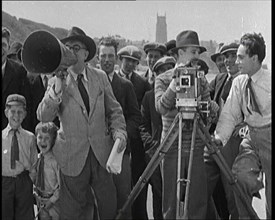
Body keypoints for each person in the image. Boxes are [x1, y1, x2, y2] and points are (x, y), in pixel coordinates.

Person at [37, 26, 127, 220]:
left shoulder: (100, 77)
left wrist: (120, 133)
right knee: (72, 212)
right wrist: (56, 91)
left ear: (86, 54)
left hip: (101, 155)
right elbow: (43, 116)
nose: (71, 52)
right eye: (67, 47)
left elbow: (115, 111)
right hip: (71, 157)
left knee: (107, 207)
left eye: (76, 48)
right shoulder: (56, 81)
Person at [155, 30, 219, 219]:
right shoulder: (164, 78)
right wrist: (175, 84)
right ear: (180, 53)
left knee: (197, 200)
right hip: (171, 145)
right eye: (193, 51)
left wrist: (207, 105)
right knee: (171, 201)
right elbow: (160, 107)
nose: (197, 57)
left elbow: (209, 113)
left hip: (196, 144)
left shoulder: (200, 79)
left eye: (198, 52)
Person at [214, 32, 271, 219]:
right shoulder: (239, 83)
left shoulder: (269, 82)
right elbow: (230, 113)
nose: (235, 61)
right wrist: (219, 138)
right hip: (251, 139)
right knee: (238, 178)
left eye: (240, 57)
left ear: (254, 58)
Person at [97, 37, 141, 219]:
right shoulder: (91, 83)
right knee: (101, 199)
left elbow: (135, 116)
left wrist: (121, 137)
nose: (106, 60)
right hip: (97, 150)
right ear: (97, 59)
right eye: (103, 56)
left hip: (120, 151)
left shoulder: (125, 85)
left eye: (110, 56)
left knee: (123, 197)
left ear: (116, 59)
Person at [205, 42, 242, 219]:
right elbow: (206, 95)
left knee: (232, 192)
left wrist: (244, 127)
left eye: (233, 56)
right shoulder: (220, 79)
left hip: (234, 144)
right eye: (225, 57)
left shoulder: (246, 81)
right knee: (202, 186)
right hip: (214, 140)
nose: (228, 60)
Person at [140, 56, 176, 220]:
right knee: (158, 195)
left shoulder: (184, 96)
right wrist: (155, 147)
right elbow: (142, 126)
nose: (165, 74)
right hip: (156, 154)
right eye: (161, 71)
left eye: (169, 69)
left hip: (177, 152)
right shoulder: (148, 97)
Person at [117, 45, 151, 219]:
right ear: (120, 60)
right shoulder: (109, 79)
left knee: (138, 180)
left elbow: (143, 113)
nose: (129, 65)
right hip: (114, 137)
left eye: (133, 62)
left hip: (135, 139)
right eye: (127, 60)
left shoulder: (142, 83)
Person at [2, 94, 38, 220]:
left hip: (23, 181)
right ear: (6, 112)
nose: (16, 116)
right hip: (5, 182)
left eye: (20, 112)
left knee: (25, 216)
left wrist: (29, 182)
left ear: (25, 114)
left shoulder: (30, 138)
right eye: (13, 111)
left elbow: (34, 164)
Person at [2, 27, 32, 132]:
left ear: (8, 47)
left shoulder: (19, 72)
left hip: (12, 135)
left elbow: (27, 106)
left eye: (3, 45)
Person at [33, 122, 60, 220]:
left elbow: (61, 186)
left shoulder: (55, 162)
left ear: (53, 141)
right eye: (40, 137)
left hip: (54, 202)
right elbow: (34, 178)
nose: (43, 141)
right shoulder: (37, 159)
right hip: (40, 201)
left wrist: (51, 201)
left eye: (47, 138)